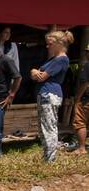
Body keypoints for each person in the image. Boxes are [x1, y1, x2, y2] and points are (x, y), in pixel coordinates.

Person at [29, 30, 72, 163]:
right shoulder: (54, 59)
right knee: (44, 127)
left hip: (50, 93)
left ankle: (51, 159)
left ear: (59, 43)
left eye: (50, 43)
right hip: (45, 93)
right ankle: (47, 156)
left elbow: (41, 77)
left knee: (49, 127)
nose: (48, 46)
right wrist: (34, 72)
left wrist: (36, 72)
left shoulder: (61, 59)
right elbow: (34, 74)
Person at [68, 61, 89, 155]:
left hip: (86, 100)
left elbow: (84, 83)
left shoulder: (87, 65)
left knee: (80, 122)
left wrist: (77, 98)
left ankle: (81, 148)